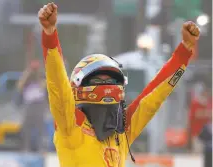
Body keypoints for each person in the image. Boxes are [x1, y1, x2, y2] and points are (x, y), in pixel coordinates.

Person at [38, 2, 200, 167]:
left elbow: (156, 94)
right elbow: (57, 84)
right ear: (78, 87)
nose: (106, 85)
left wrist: (184, 53)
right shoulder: (71, 125)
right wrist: (50, 35)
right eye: (98, 79)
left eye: (111, 79)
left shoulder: (121, 130)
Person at [16, 60, 47, 152]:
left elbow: (44, 86)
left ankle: (41, 148)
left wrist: (38, 76)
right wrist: (27, 74)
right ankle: (26, 147)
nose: (34, 71)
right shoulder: (26, 78)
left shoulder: (42, 77)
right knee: (26, 127)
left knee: (40, 127)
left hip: (39, 104)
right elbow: (19, 86)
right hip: (29, 104)